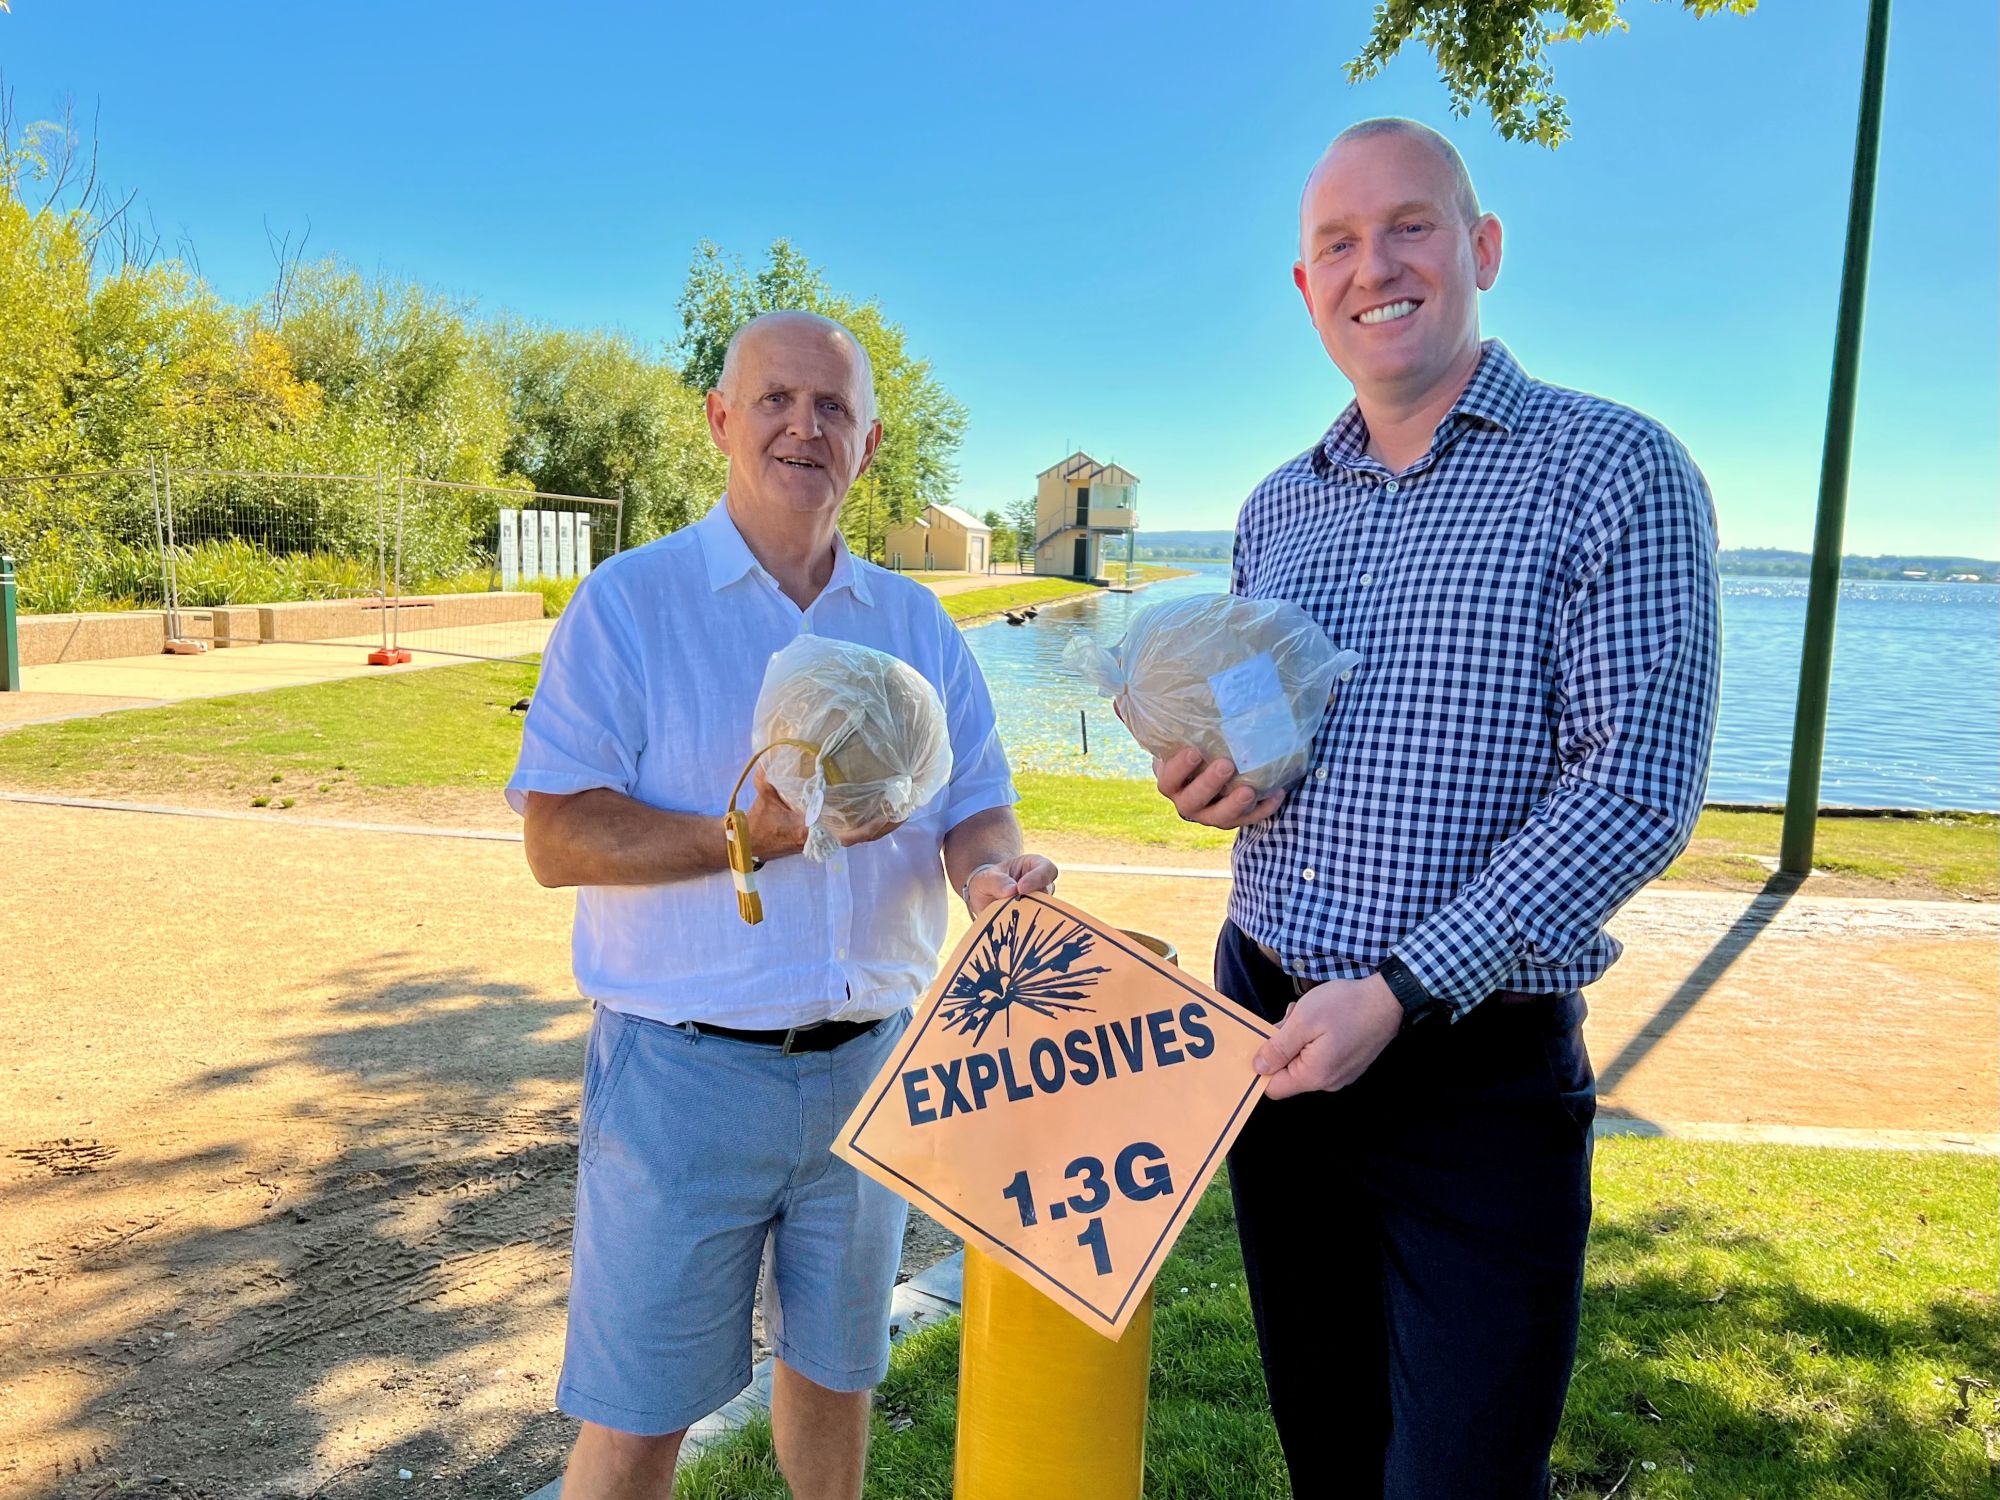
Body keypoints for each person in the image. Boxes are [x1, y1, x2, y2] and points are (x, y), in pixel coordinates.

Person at [1147, 119, 1721, 1497]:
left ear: (1483, 248)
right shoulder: (1278, 509)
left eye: (1410, 225)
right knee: (1329, 1450)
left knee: (1462, 1474)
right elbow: (1271, 747)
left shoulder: (1614, 469)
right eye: (1336, 243)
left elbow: (1636, 790)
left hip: (1476, 1073)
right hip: (1277, 1031)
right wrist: (1215, 782)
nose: (1374, 266)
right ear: (1304, 289)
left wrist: (1403, 989)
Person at [509, 309, 1056, 1499]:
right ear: (720, 419)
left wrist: (990, 879)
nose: (803, 426)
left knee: (836, 1377)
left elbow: (976, 803)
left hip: (869, 1068)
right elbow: (555, 836)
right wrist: (739, 838)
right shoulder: (631, 603)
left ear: (865, 445)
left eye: (833, 409)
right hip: (678, 1078)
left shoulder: (914, 625)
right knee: (637, 1416)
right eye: (775, 400)